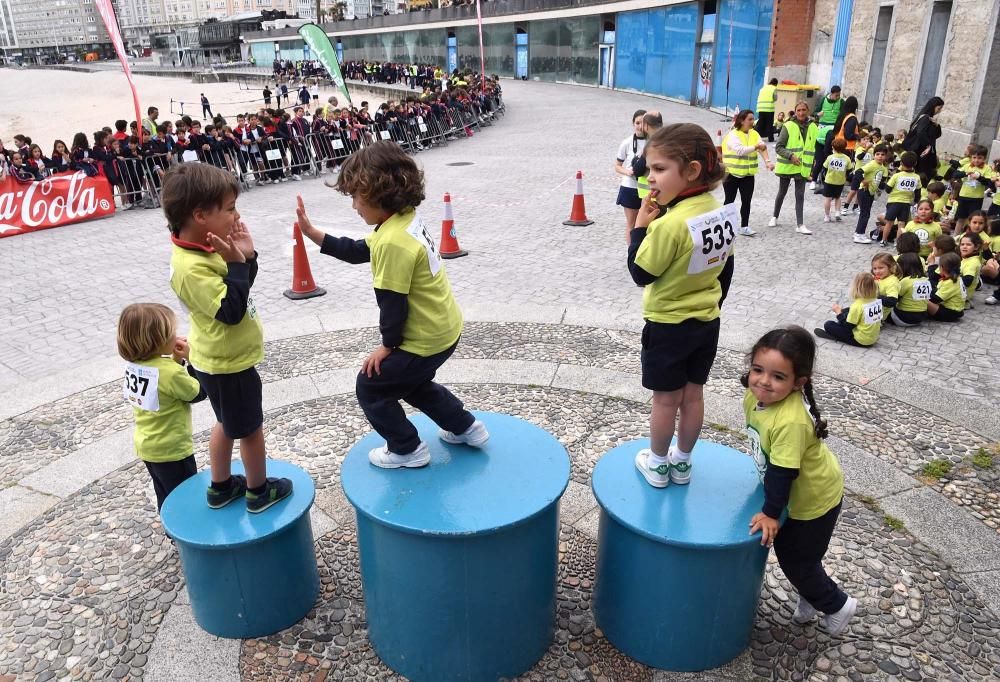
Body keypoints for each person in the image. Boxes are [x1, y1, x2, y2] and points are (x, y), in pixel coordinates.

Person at [295, 142, 488, 468]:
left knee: (371, 386)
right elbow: (357, 250)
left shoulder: (391, 242)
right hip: (445, 329)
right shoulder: (402, 221)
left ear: (377, 194)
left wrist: (387, 347)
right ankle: (466, 426)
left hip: (423, 339)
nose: (354, 205)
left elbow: (392, 305)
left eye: (356, 196)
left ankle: (406, 448)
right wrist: (312, 232)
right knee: (411, 383)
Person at [163, 163, 293, 512]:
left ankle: (220, 487)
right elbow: (231, 310)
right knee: (250, 429)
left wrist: (246, 257)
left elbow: (239, 287)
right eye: (231, 208)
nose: (237, 215)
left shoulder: (203, 248)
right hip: (229, 364)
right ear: (200, 214)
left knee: (226, 423)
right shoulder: (191, 267)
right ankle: (258, 491)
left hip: (217, 359)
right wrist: (236, 263)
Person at [626, 123, 733, 488]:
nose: (650, 178)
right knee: (693, 395)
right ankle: (683, 463)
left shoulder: (669, 225)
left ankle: (657, 464)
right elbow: (725, 271)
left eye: (659, 169)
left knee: (665, 400)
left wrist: (640, 227)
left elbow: (641, 272)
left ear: (691, 171)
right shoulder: (720, 212)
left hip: (669, 324)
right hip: (707, 321)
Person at [742, 326, 857, 637]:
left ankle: (837, 604)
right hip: (798, 494)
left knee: (796, 562)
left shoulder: (790, 421)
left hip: (814, 501)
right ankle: (810, 598)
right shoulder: (755, 398)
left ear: (798, 383)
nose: (764, 381)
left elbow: (783, 473)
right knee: (805, 558)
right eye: (758, 370)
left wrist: (769, 513)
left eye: (778, 377)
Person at [117, 303, 207, 512]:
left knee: (164, 492)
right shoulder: (169, 373)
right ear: (156, 340)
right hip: (172, 448)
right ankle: (186, 532)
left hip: (148, 445)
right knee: (185, 495)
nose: (176, 336)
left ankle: (169, 526)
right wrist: (191, 360)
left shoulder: (136, 366)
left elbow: (163, 387)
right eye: (171, 333)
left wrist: (175, 360)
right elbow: (197, 392)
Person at [722, 109, 774, 236]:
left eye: (753, 119)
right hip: (731, 174)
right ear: (741, 120)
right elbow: (740, 150)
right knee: (729, 201)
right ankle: (725, 226)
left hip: (748, 175)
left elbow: (762, 147)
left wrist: (767, 161)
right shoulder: (732, 135)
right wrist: (756, 147)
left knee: (746, 201)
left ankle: (744, 227)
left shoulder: (754, 134)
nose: (753, 121)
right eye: (750, 119)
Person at [769, 101, 818, 235]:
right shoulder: (788, 125)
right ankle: (775, 216)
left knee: (800, 195)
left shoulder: (813, 127)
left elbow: (813, 147)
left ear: (808, 111)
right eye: (798, 110)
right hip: (788, 166)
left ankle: (800, 224)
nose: (801, 113)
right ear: (795, 112)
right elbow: (779, 147)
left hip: (802, 167)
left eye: (803, 110)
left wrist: (814, 163)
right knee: (782, 192)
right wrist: (791, 156)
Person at [814, 272, 881, 346]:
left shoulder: (857, 306)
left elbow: (847, 328)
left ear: (856, 288)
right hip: (873, 338)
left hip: (861, 341)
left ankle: (837, 337)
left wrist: (838, 313)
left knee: (828, 324)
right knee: (846, 313)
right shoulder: (876, 300)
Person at [615, 109, 648, 243]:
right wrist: (628, 172)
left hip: (647, 188)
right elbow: (617, 166)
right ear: (633, 124)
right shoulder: (626, 143)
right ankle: (632, 253)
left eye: (643, 123)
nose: (640, 126)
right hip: (630, 187)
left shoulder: (653, 142)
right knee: (632, 224)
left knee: (647, 224)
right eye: (637, 123)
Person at [878, 151, 921, 246]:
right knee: (901, 224)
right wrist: (915, 202)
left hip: (893, 202)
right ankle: (897, 242)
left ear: (901, 163)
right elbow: (918, 192)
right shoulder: (917, 177)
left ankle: (883, 240)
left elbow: (888, 189)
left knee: (889, 223)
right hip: (906, 203)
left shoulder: (897, 176)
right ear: (915, 163)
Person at [952, 145, 996, 233]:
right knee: (960, 218)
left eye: (979, 158)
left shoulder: (987, 168)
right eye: (974, 157)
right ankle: (956, 236)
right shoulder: (967, 166)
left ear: (984, 158)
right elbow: (955, 174)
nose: (976, 160)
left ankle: (970, 235)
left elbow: (989, 182)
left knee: (973, 219)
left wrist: (979, 177)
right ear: (971, 157)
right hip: (963, 196)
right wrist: (965, 173)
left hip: (976, 198)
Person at [852, 143, 889, 244]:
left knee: (866, 213)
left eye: (882, 154)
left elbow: (880, 182)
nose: (880, 156)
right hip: (864, 191)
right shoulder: (872, 164)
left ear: (885, 156)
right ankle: (859, 234)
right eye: (877, 154)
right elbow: (859, 171)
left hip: (871, 193)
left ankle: (859, 233)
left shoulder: (882, 168)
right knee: (865, 214)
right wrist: (863, 181)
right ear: (874, 155)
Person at [903, 97, 944, 180]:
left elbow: (937, 135)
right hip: (922, 151)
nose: (939, 111)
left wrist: (937, 125)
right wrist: (928, 145)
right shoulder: (925, 118)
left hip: (923, 150)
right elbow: (920, 133)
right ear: (933, 106)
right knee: (922, 173)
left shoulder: (928, 118)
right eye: (938, 108)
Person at [889, 253, 930, 326]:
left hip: (904, 318)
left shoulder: (906, 281)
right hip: (921, 317)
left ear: (903, 267)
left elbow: (895, 298)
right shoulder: (927, 280)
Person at [926, 252, 965, 321]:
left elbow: (936, 299)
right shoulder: (956, 277)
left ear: (942, 268)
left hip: (950, 312)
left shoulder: (951, 282)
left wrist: (924, 293)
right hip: (952, 309)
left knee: (922, 299)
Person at [821, 137, 852, 223]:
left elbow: (824, 168)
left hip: (829, 180)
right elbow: (849, 170)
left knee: (828, 198)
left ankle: (827, 216)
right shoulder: (847, 158)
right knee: (838, 197)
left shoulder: (830, 157)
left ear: (833, 147)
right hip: (840, 181)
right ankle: (837, 212)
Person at [871, 252, 900, 321]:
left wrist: (875, 295)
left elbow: (892, 301)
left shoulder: (892, 282)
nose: (877, 271)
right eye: (874, 268)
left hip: (878, 316)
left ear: (891, 267)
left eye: (881, 268)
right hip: (871, 309)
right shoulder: (881, 276)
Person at [754, 78, 779, 142]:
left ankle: (757, 138)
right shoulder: (774, 88)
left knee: (760, 124)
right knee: (769, 124)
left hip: (761, 108)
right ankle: (770, 138)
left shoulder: (762, 88)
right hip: (769, 109)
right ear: (776, 83)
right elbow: (775, 98)